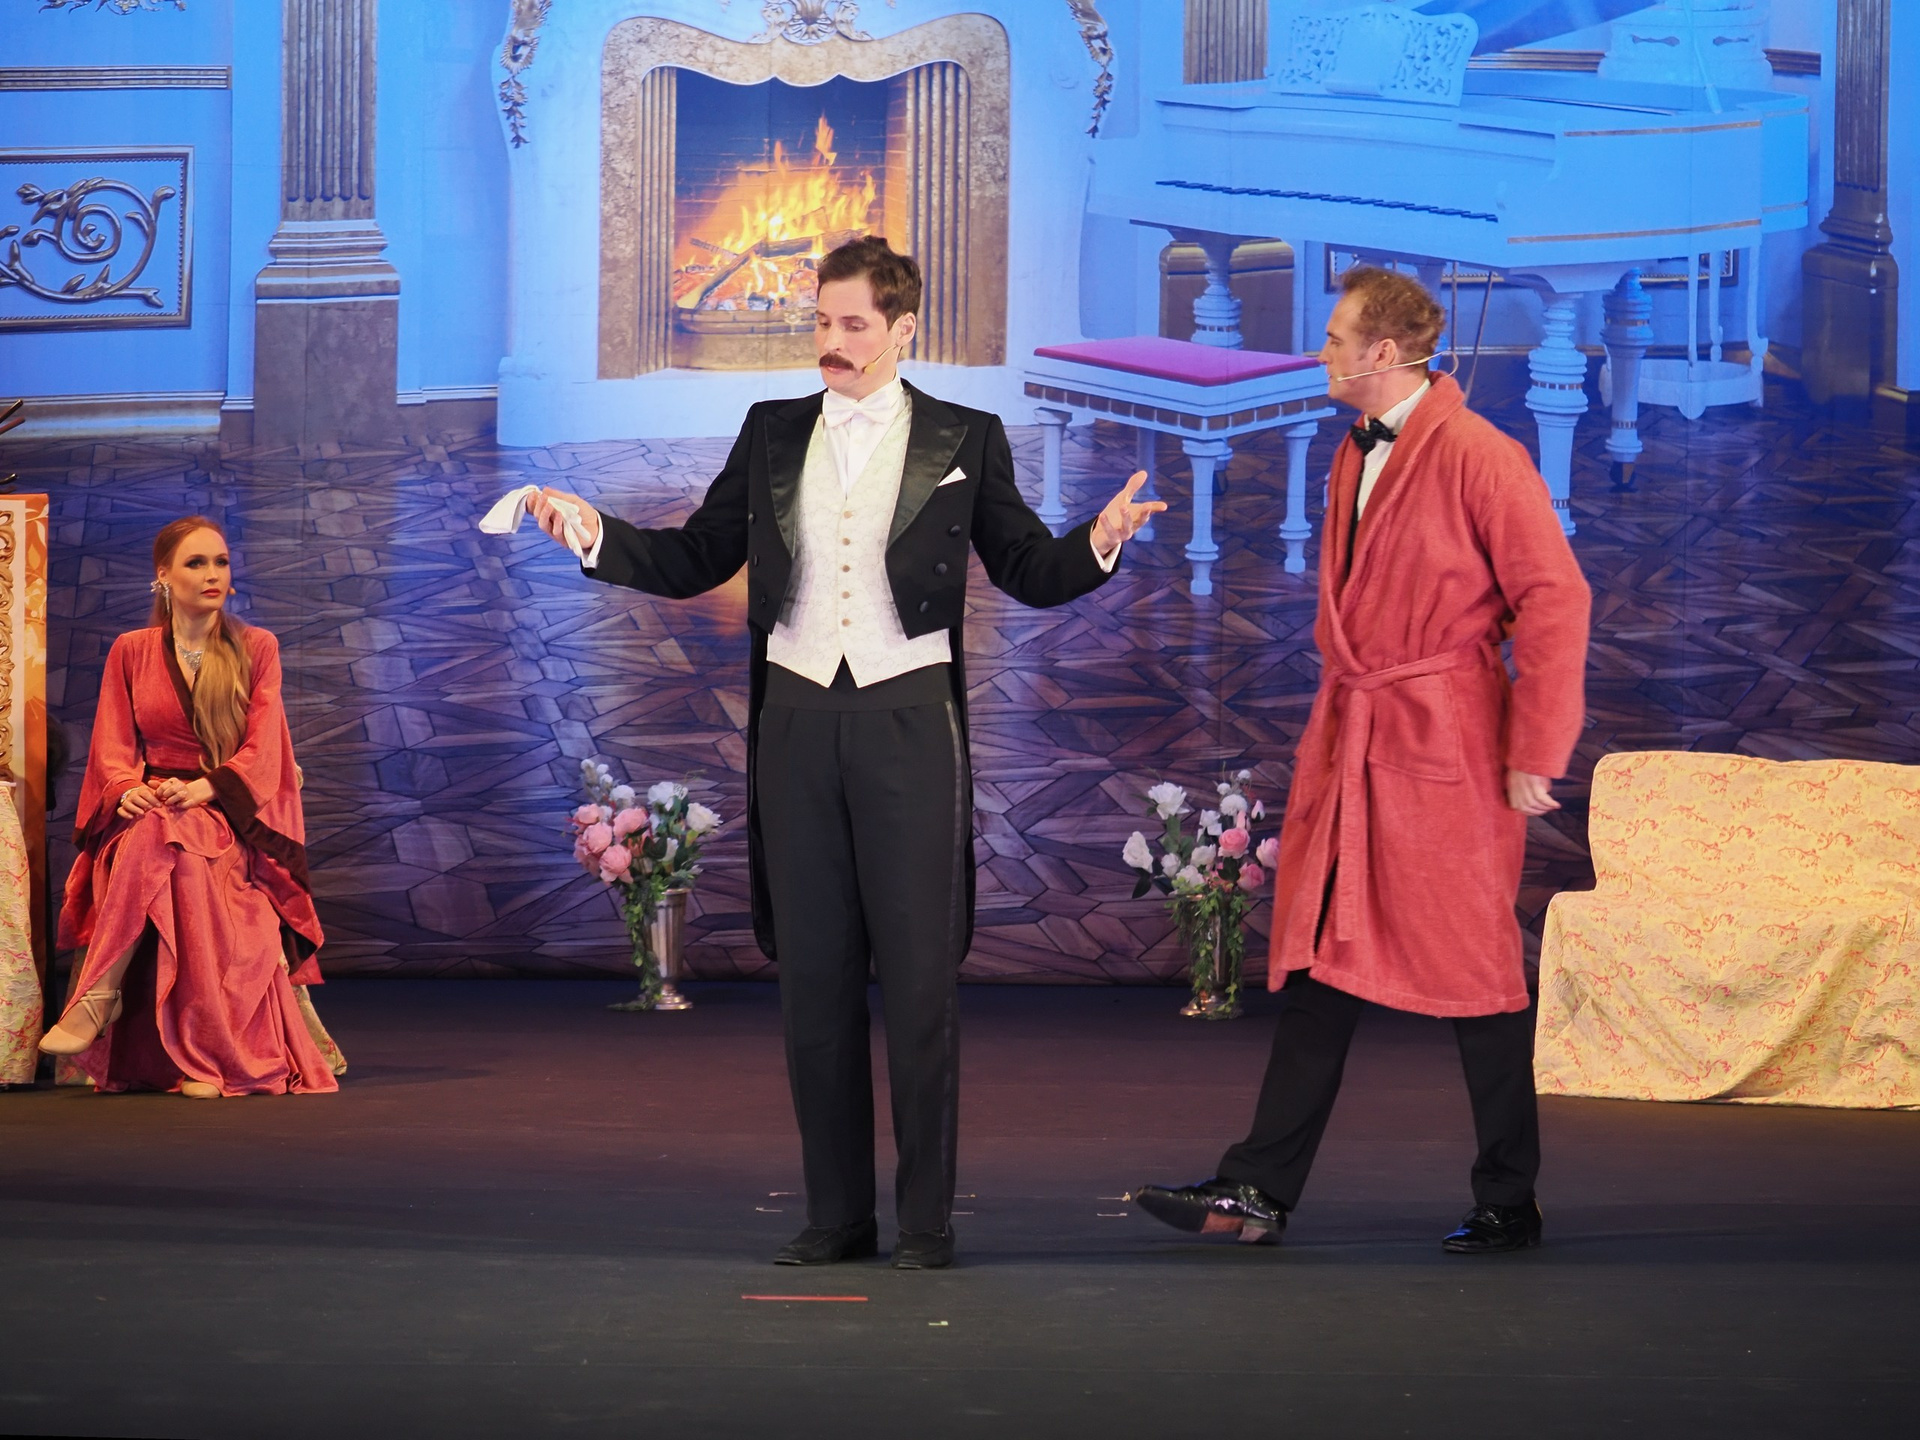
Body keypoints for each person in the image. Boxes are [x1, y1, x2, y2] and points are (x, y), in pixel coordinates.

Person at [529, 236, 1163, 1269]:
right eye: (822, 321)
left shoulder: (963, 435)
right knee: (814, 982)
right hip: (794, 721)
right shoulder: (772, 430)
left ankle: (926, 1222)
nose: (830, 340)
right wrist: (595, 531)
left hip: (908, 720)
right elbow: (698, 555)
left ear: (902, 328)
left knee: (918, 984)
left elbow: (1026, 566)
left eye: (853, 324)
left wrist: (1102, 536)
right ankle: (837, 1214)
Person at [1133, 266, 1591, 1254]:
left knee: (1478, 970)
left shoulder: (1482, 455)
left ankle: (1510, 1195)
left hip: (1444, 738)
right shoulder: (1353, 450)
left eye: (1336, 338)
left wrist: (1534, 748)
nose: (1322, 351)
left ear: (1382, 352)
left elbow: (1555, 597)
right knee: (1323, 957)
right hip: (1357, 732)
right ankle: (1258, 1187)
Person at [40, 516, 343, 1096]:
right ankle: (200, 1058)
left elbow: (266, 748)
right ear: (163, 575)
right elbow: (112, 746)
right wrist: (126, 789)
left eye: (221, 562)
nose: (212, 575)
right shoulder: (132, 650)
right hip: (152, 804)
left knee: (176, 847)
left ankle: (108, 999)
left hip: (228, 811)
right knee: (158, 833)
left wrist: (207, 788)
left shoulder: (257, 647)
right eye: (196, 563)